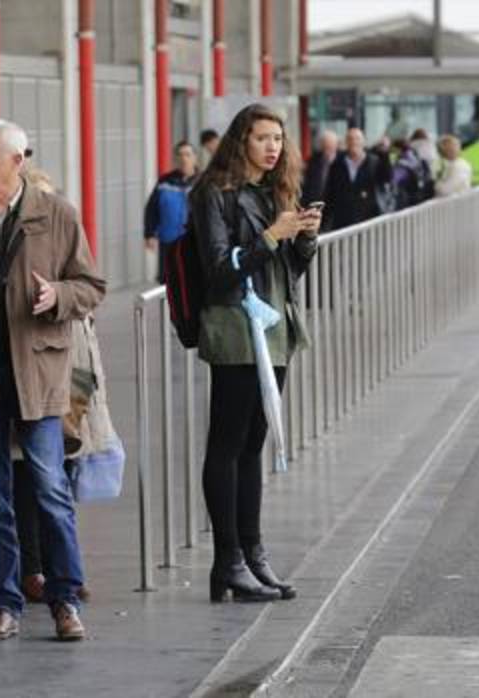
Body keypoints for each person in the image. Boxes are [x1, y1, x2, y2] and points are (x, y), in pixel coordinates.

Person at [0, 119, 105, 642]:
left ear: (18, 161)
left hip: (40, 371)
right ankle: (4, 601)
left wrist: (58, 296)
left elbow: (92, 286)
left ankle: (65, 599)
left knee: (51, 489)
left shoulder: (56, 214)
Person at [189, 103, 319, 603]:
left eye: (279, 139)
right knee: (227, 443)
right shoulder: (213, 193)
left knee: (252, 444)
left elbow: (291, 270)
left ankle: (253, 553)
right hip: (234, 327)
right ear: (241, 140)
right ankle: (229, 561)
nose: (273, 147)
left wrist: (304, 238)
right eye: (263, 137)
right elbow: (220, 269)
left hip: (275, 326)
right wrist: (271, 236)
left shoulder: (274, 191)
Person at [144, 140, 199, 280]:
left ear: (195, 158)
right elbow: (151, 209)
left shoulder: (203, 182)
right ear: (175, 159)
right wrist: (149, 234)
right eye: (180, 155)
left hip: (195, 242)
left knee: (192, 280)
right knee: (168, 280)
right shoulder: (164, 182)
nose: (183, 159)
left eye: (187, 155)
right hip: (168, 240)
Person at [322, 128, 389, 230]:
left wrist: (385, 154)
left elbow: (387, 178)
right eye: (350, 139)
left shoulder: (374, 162)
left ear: (363, 142)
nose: (354, 142)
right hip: (344, 224)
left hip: (370, 223)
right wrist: (324, 223)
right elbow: (330, 194)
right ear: (346, 143)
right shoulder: (337, 165)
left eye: (357, 139)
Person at [391, 137, 433, 210]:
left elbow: (394, 180)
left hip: (409, 201)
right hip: (421, 197)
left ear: (397, 149)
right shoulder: (417, 158)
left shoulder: (402, 164)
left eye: (392, 150)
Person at [301, 129, 339, 207]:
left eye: (330, 144)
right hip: (315, 204)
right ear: (321, 145)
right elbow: (307, 184)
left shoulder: (342, 161)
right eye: (325, 144)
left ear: (336, 145)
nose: (327, 147)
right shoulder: (313, 160)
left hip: (335, 206)